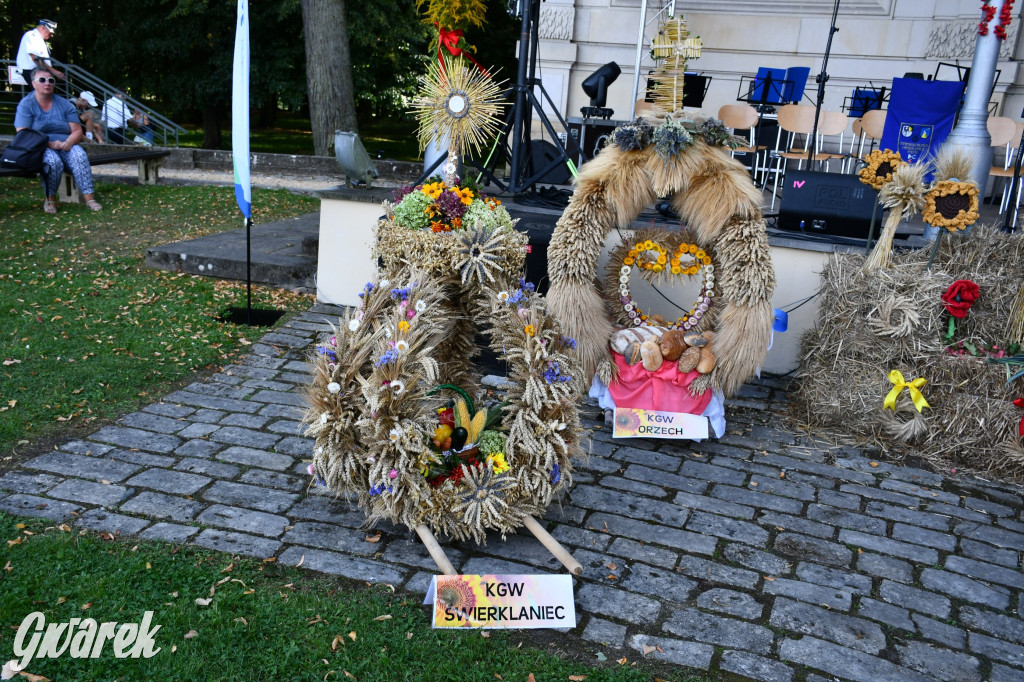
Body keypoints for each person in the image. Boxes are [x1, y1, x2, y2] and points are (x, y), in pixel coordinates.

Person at [14, 66, 102, 213]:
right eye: (42, 80)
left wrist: (68, 143)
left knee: (79, 155)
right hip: (39, 146)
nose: (47, 83)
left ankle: (90, 199)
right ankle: (50, 199)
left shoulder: (64, 104)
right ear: (33, 83)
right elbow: (23, 134)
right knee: (53, 162)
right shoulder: (26, 104)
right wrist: (49, 144)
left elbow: (77, 131)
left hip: (65, 144)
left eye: (51, 80)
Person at [15, 19, 64, 86]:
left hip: (37, 71)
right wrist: (54, 71)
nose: (52, 35)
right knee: (41, 93)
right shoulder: (32, 36)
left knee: (42, 93)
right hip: (31, 71)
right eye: (50, 32)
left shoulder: (38, 38)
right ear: (43, 28)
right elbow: (35, 58)